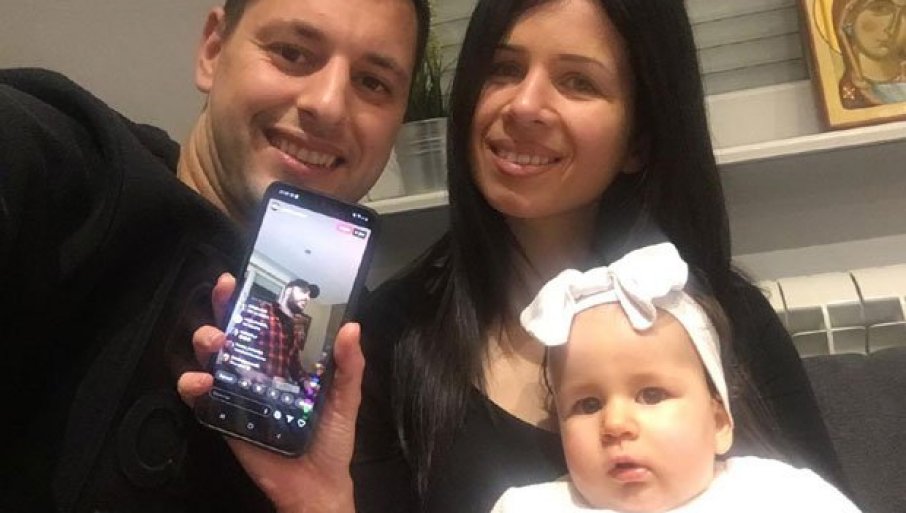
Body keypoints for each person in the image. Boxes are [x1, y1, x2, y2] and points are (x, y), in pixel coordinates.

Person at [183, 1, 848, 512]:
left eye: (578, 82)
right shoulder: (388, 339)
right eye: (503, 70)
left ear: (639, 139)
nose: (525, 105)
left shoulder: (723, 321)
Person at [0, 0, 429, 511]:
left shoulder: (374, 361)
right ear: (213, 49)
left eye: (374, 83)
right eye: (292, 53)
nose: (329, 104)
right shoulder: (80, 173)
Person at [490, 243, 860, 512]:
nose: (615, 424)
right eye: (587, 405)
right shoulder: (531, 507)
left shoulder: (781, 494)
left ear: (718, 422)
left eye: (651, 395)